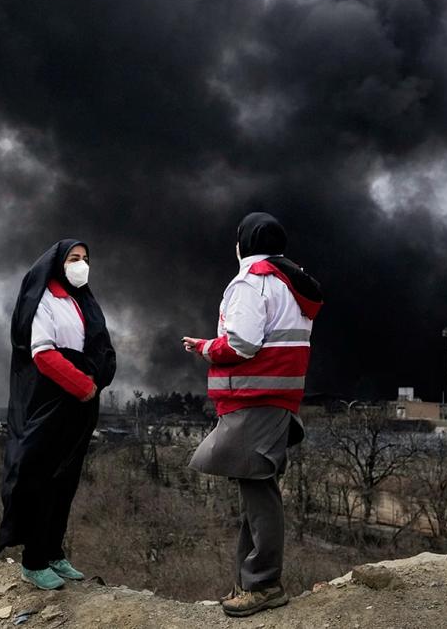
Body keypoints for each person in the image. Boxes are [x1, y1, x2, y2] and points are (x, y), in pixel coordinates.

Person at [181, 212, 322, 618]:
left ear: (244, 243)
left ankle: (263, 585)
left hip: (254, 399)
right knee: (253, 490)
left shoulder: (252, 281)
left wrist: (205, 348)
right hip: (275, 399)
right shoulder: (291, 280)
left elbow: (242, 343)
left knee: (260, 494)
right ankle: (248, 581)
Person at [0, 239, 117, 590]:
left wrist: (97, 379)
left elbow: (101, 347)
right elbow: (43, 353)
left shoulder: (83, 301)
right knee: (41, 479)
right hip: (53, 402)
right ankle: (33, 561)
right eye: (73, 258)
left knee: (66, 480)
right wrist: (82, 385)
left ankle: (53, 551)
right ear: (57, 263)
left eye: (85, 258)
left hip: (82, 405)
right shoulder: (44, 301)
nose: (81, 265)